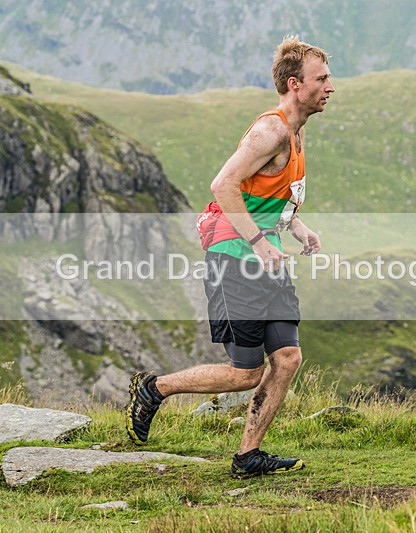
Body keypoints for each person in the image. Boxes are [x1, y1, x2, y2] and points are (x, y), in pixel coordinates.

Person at [126, 35, 335, 478]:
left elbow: (270, 193)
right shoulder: (270, 130)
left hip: (265, 257)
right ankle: (154, 388)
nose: (330, 86)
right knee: (245, 373)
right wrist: (260, 242)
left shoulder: (297, 135)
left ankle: (247, 457)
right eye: (322, 78)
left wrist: (296, 226)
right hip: (234, 256)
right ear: (296, 85)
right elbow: (223, 185)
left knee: (288, 358)